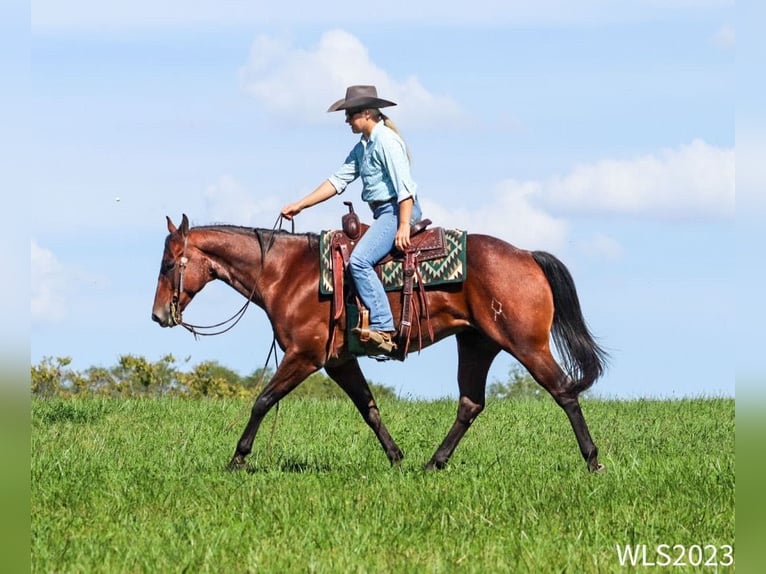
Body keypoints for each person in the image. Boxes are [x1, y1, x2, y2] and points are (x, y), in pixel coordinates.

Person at [281, 85, 423, 355]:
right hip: (384, 212)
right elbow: (338, 180)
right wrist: (300, 205)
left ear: (367, 113)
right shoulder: (363, 147)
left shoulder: (386, 142)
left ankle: (383, 326)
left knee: (358, 260)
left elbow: (406, 189)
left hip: (395, 211)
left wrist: (404, 225)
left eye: (350, 115)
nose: (347, 120)